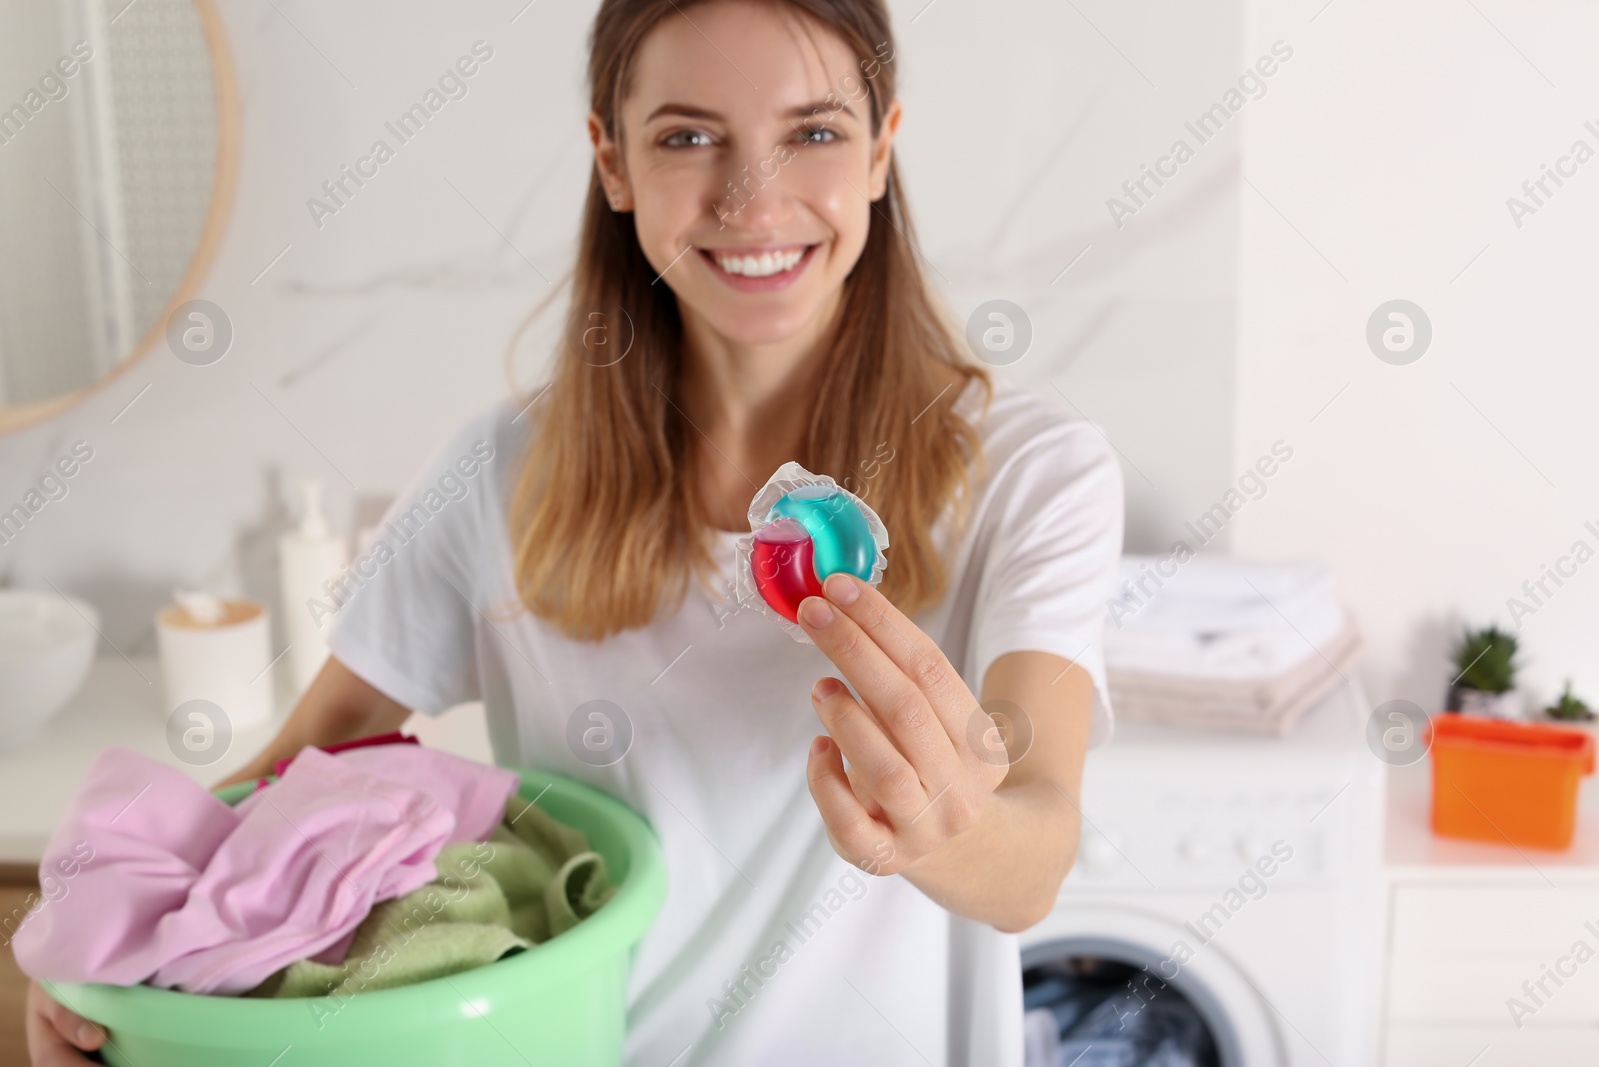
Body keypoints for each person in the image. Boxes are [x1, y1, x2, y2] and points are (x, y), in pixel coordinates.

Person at [27, 0, 1122, 1062]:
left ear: (881, 152)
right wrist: (104, 964)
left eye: (814, 133)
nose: (752, 197)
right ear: (612, 161)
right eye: (688, 135)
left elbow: (1033, 852)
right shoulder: (496, 476)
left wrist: (949, 828)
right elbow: (290, 783)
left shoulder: (1032, 475)